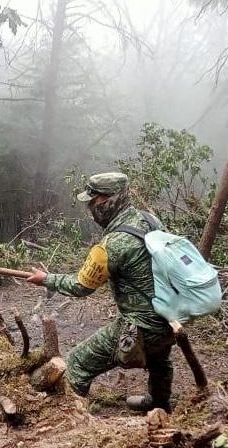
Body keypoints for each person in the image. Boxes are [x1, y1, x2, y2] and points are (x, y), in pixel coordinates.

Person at [25, 172, 175, 412]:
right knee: (160, 361)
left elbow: (80, 286)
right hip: (169, 318)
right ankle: (158, 402)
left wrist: (47, 279)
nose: (90, 209)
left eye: (93, 202)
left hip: (140, 326)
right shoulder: (148, 220)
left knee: (77, 363)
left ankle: (70, 414)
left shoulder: (113, 244)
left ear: (111, 200)